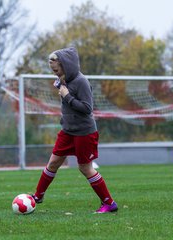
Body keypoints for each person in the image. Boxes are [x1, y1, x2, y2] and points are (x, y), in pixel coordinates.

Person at [31, 47, 118, 213]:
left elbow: (87, 108)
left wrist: (67, 96)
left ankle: (109, 203)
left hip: (84, 132)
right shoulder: (63, 80)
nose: (55, 73)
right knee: (53, 162)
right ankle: (38, 196)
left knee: (85, 168)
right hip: (67, 130)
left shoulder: (81, 81)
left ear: (66, 65)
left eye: (56, 69)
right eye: (52, 70)